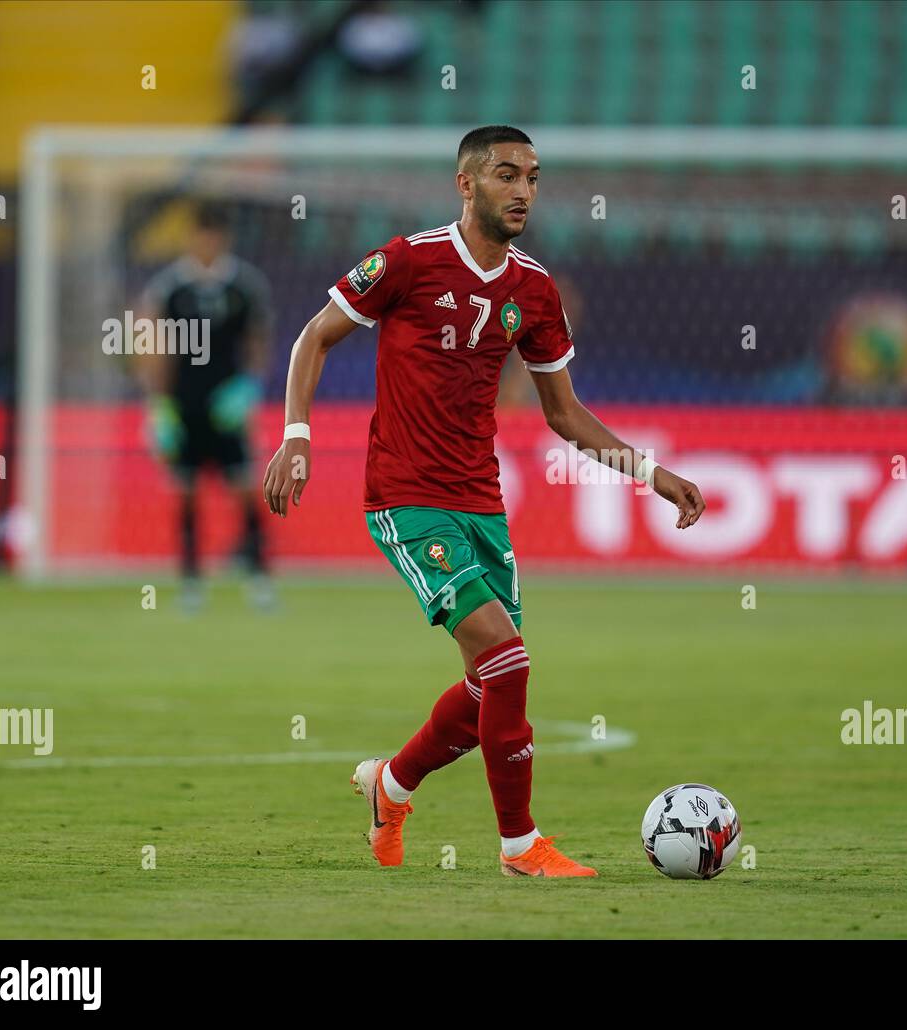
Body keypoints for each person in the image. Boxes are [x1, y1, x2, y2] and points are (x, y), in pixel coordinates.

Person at [262, 125, 706, 877]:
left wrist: (651, 472)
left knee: (485, 686)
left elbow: (564, 414)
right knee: (508, 660)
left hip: (481, 502)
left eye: (533, 176)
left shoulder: (534, 291)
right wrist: (297, 435)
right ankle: (519, 847)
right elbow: (314, 335)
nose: (524, 190)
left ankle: (391, 785)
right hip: (405, 496)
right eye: (507, 175)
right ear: (467, 185)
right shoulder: (408, 259)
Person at [140, 201, 273, 611]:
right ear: (191, 238)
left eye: (214, 235)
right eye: (201, 235)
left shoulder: (244, 286)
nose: (207, 243)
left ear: (224, 239)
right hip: (184, 407)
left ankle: (258, 579)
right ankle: (191, 583)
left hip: (227, 407)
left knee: (246, 490)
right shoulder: (169, 288)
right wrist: (158, 407)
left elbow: (257, 341)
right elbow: (152, 347)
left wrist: (250, 387)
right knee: (185, 494)